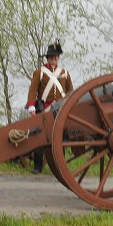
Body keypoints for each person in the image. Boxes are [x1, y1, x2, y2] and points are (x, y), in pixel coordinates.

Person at [26, 40, 74, 173]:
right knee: (39, 136)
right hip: (44, 108)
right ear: (48, 58)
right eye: (51, 57)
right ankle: (38, 165)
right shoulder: (40, 72)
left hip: (61, 108)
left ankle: (60, 166)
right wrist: (31, 106)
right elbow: (32, 90)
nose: (54, 59)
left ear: (58, 58)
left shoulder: (64, 72)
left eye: (56, 57)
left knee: (61, 137)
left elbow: (70, 91)